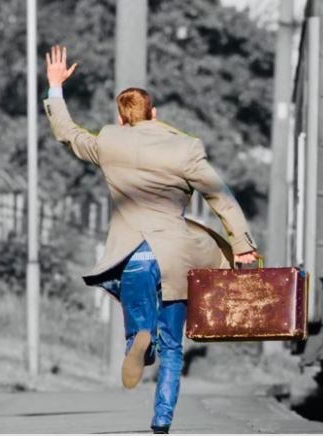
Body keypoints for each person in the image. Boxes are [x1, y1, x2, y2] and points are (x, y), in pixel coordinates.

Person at [43, 45, 261, 434]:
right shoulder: (186, 148)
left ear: (121, 118)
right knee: (174, 348)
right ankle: (162, 421)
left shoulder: (110, 141)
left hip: (132, 255)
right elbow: (220, 196)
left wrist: (56, 87)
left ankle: (137, 345)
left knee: (139, 323)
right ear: (154, 114)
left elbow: (68, 134)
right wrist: (242, 245)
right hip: (175, 256)